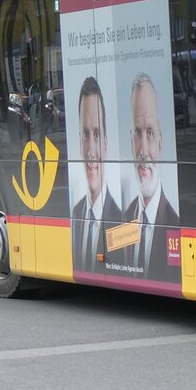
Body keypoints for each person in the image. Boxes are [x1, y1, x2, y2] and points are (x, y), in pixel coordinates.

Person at [123, 71, 179, 280]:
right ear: (130, 141)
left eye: (150, 132)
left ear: (161, 142)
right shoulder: (125, 216)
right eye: (138, 133)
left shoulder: (174, 221)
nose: (143, 150)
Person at [71, 77, 122, 272]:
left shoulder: (121, 216)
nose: (91, 150)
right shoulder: (76, 214)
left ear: (106, 143)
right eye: (85, 135)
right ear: (79, 142)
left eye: (97, 135)